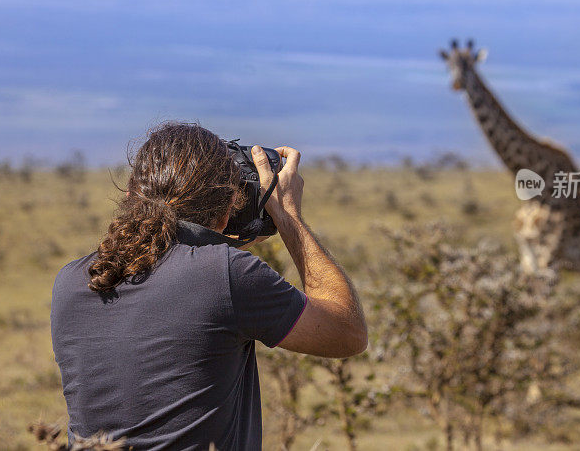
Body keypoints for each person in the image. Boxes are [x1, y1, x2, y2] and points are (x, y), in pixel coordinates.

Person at [50, 122, 367, 450]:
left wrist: (225, 243)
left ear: (130, 195)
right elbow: (347, 332)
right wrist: (287, 217)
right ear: (231, 203)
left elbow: (174, 275)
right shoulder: (228, 275)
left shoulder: (71, 281)